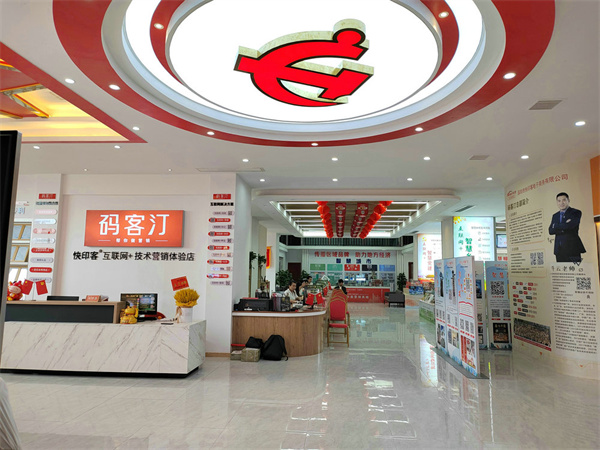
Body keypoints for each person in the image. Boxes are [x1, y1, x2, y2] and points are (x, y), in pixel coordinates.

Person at [548, 192, 586, 262]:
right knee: (561, 269)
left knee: (576, 268)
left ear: (568, 200)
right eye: (559, 201)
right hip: (559, 250)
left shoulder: (576, 212)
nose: (561, 203)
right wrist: (564, 225)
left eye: (564, 200)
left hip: (572, 249)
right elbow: (551, 231)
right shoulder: (555, 215)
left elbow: (570, 226)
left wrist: (556, 226)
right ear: (557, 202)